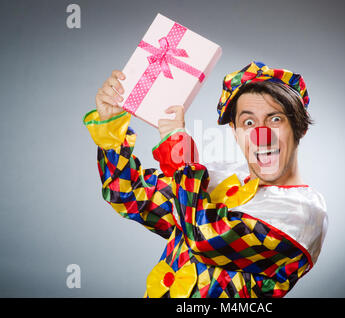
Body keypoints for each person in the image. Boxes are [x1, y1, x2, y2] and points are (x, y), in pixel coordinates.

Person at [83, 61, 328, 298]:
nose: (261, 135)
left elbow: (204, 238)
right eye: (249, 122)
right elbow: (130, 197)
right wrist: (111, 128)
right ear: (235, 131)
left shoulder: (304, 213)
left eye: (275, 119)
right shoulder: (217, 177)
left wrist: (182, 161)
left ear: (299, 127)